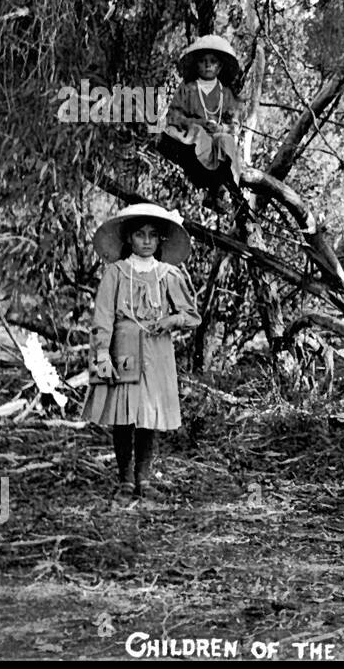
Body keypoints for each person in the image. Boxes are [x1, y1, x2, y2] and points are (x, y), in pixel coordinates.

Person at [85, 203, 201, 499]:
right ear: (128, 238)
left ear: (160, 239)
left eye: (152, 235)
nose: (146, 241)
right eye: (140, 234)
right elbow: (102, 316)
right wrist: (101, 354)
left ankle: (144, 480)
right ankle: (124, 480)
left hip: (156, 350)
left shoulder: (167, 274)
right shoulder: (116, 272)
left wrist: (170, 320)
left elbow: (191, 315)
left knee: (148, 414)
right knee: (123, 415)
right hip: (122, 346)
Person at [160, 34, 245, 213]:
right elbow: (173, 116)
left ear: (220, 66)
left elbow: (235, 125)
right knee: (198, 133)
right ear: (196, 64)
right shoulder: (187, 88)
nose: (208, 65)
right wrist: (197, 122)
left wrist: (221, 127)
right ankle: (210, 186)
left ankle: (226, 190)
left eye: (213, 61)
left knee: (226, 141)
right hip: (192, 136)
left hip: (218, 136)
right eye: (203, 61)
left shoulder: (226, 93)